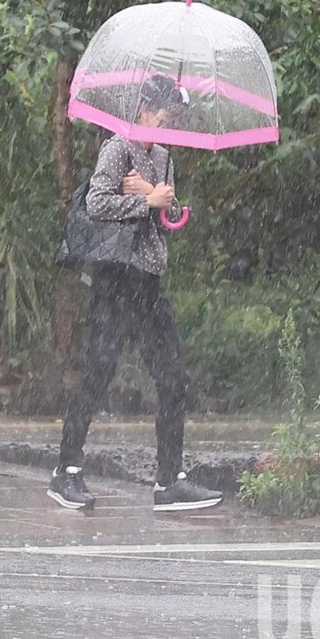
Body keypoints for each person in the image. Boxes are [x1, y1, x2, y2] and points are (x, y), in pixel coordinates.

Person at [48, 77, 221, 512]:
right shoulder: (117, 147)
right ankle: (66, 469)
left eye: (173, 120)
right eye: (164, 116)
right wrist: (147, 202)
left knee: (171, 376)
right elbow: (97, 203)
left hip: (148, 280)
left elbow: (171, 214)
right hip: (116, 278)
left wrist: (154, 196)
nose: (167, 125)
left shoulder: (162, 158)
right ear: (144, 109)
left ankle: (170, 479)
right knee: (98, 371)